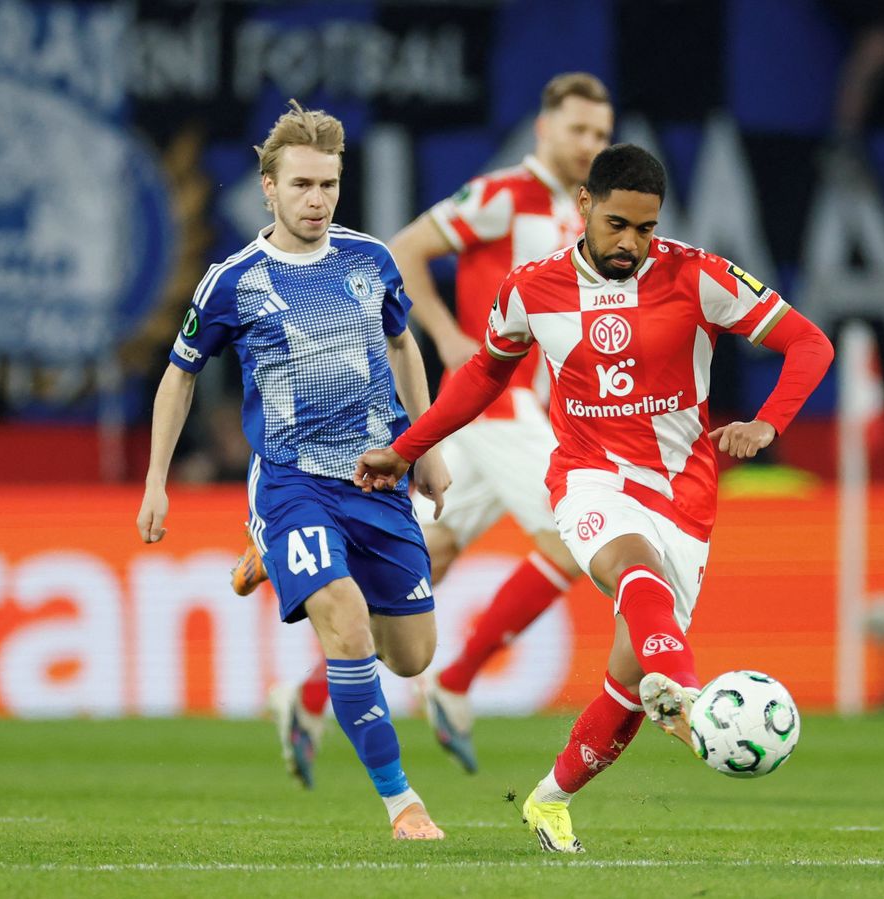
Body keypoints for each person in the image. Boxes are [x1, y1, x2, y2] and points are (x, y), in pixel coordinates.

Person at [354, 144, 834, 852]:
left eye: (646, 228)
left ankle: (550, 800)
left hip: (684, 496)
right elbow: (483, 376)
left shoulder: (699, 275)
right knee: (634, 569)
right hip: (587, 477)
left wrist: (769, 422)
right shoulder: (532, 288)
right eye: (617, 224)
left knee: (626, 685)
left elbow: (810, 344)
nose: (631, 243)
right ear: (584, 205)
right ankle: (689, 693)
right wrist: (407, 447)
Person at [235, 73, 614, 778]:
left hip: (511, 414)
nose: (590, 144)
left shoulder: (576, 210)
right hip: (497, 404)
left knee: (426, 558)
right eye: (577, 130)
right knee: (574, 540)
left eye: (600, 133)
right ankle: (457, 681)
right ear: (544, 129)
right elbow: (406, 248)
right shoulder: (503, 194)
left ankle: (306, 695)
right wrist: (445, 334)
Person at [136, 100, 450, 841]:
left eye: (328, 185)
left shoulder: (370, 260)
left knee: (412, 657)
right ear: (269, 188)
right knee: (342, 617)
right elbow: (179, 375)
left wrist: (428, 446)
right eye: (302, 185)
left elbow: (402, 345)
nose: (317, 199)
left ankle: (272, 559)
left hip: (377, 479)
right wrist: (155, 480)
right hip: (292, 481)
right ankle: (402, 803)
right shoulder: (232, 281)